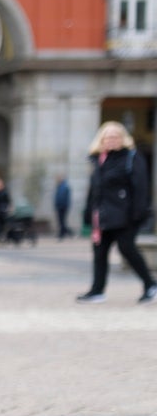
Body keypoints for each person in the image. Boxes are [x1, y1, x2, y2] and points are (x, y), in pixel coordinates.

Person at [76, 121, 157, 304]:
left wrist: (137, 213)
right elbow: (94, 189)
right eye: (108, 137)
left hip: (125, 215)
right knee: (99, 252)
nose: (111, 140)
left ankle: (150, 285)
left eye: (116, 136)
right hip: (102, 215)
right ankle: (97, 290)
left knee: (127, 249)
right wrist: (89, 213)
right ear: (101, 140)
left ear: (123, 139)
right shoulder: (98, 159)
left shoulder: (131, 157)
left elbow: (141, 187)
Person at [54, 175, 72, 239]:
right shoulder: (59, 186)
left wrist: (66, 206)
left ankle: (64, 233)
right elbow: (56, 197)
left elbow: (66, 198)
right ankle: (65, 232)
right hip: (59, 206)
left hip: (63, 207)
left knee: (62, 221)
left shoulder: (65, 187)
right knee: (61, 221)